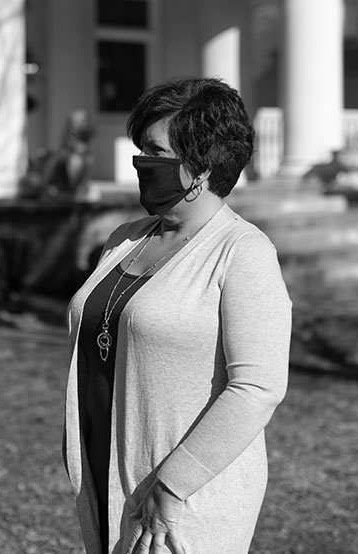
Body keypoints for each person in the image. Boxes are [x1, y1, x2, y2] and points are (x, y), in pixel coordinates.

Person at [63, 76, 291, 554]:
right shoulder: (125, 237)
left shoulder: (243, 253)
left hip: (183, 503)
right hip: (109, 478)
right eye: (141, 147)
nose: (141, 162)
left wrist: (173, 484)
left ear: (203, 167)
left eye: (156, 150)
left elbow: (257, 388)